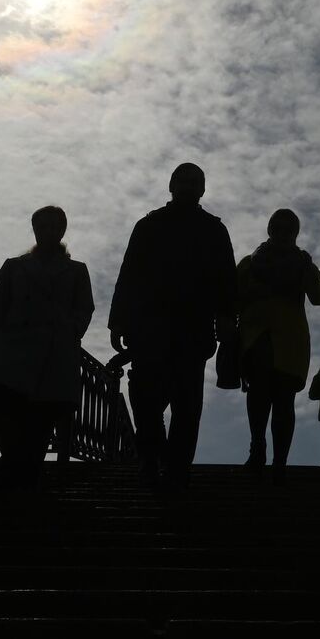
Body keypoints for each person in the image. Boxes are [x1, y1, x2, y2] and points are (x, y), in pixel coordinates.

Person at [109, 163, 237, 491]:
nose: (188, 186)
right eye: (183, 180)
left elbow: (226, 280)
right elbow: (129, 273)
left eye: (195, 182)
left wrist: (225, 319)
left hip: (192, 330)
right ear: (171, 185)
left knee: (186, 403)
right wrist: (119, 320)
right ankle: (152, 458)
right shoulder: (149, 225)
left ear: (202, 190)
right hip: (150, 328)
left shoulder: (213, 230)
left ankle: (176, 467)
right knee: (146, 399)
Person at [0, 206, 94, 494]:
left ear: (62, 231)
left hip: (53, 358)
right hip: (12, 354)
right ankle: (3, 481)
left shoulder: (76, 270)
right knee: (6, 418)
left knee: (39, 425)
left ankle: (21, 484)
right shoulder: (14, 266)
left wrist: (67, 329)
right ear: (35, 229)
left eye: (56, 226)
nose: (50, 231)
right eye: (44, 226)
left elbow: (84, 309)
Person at [236, 208, 320, 481]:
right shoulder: (251, 264)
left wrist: (309, 269)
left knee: (276, 399)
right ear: (271, 230)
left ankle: (273, 457)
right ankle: (263, 451)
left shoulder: (297, 264)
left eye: (288, 229)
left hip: (284, 341)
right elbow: (231, 298)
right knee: (265, 396)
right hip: (265, 339)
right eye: (280, 228)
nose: (283, 233)